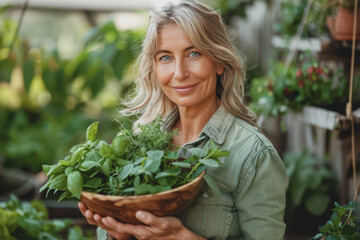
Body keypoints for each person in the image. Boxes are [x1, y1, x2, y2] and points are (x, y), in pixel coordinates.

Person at [78, 0, 288, 239]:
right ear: (154, 68)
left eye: (194, 53)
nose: (179, 73)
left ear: (219, 62)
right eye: (166, 57)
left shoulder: (253, 155)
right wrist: (120, 233)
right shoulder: (140, 142)